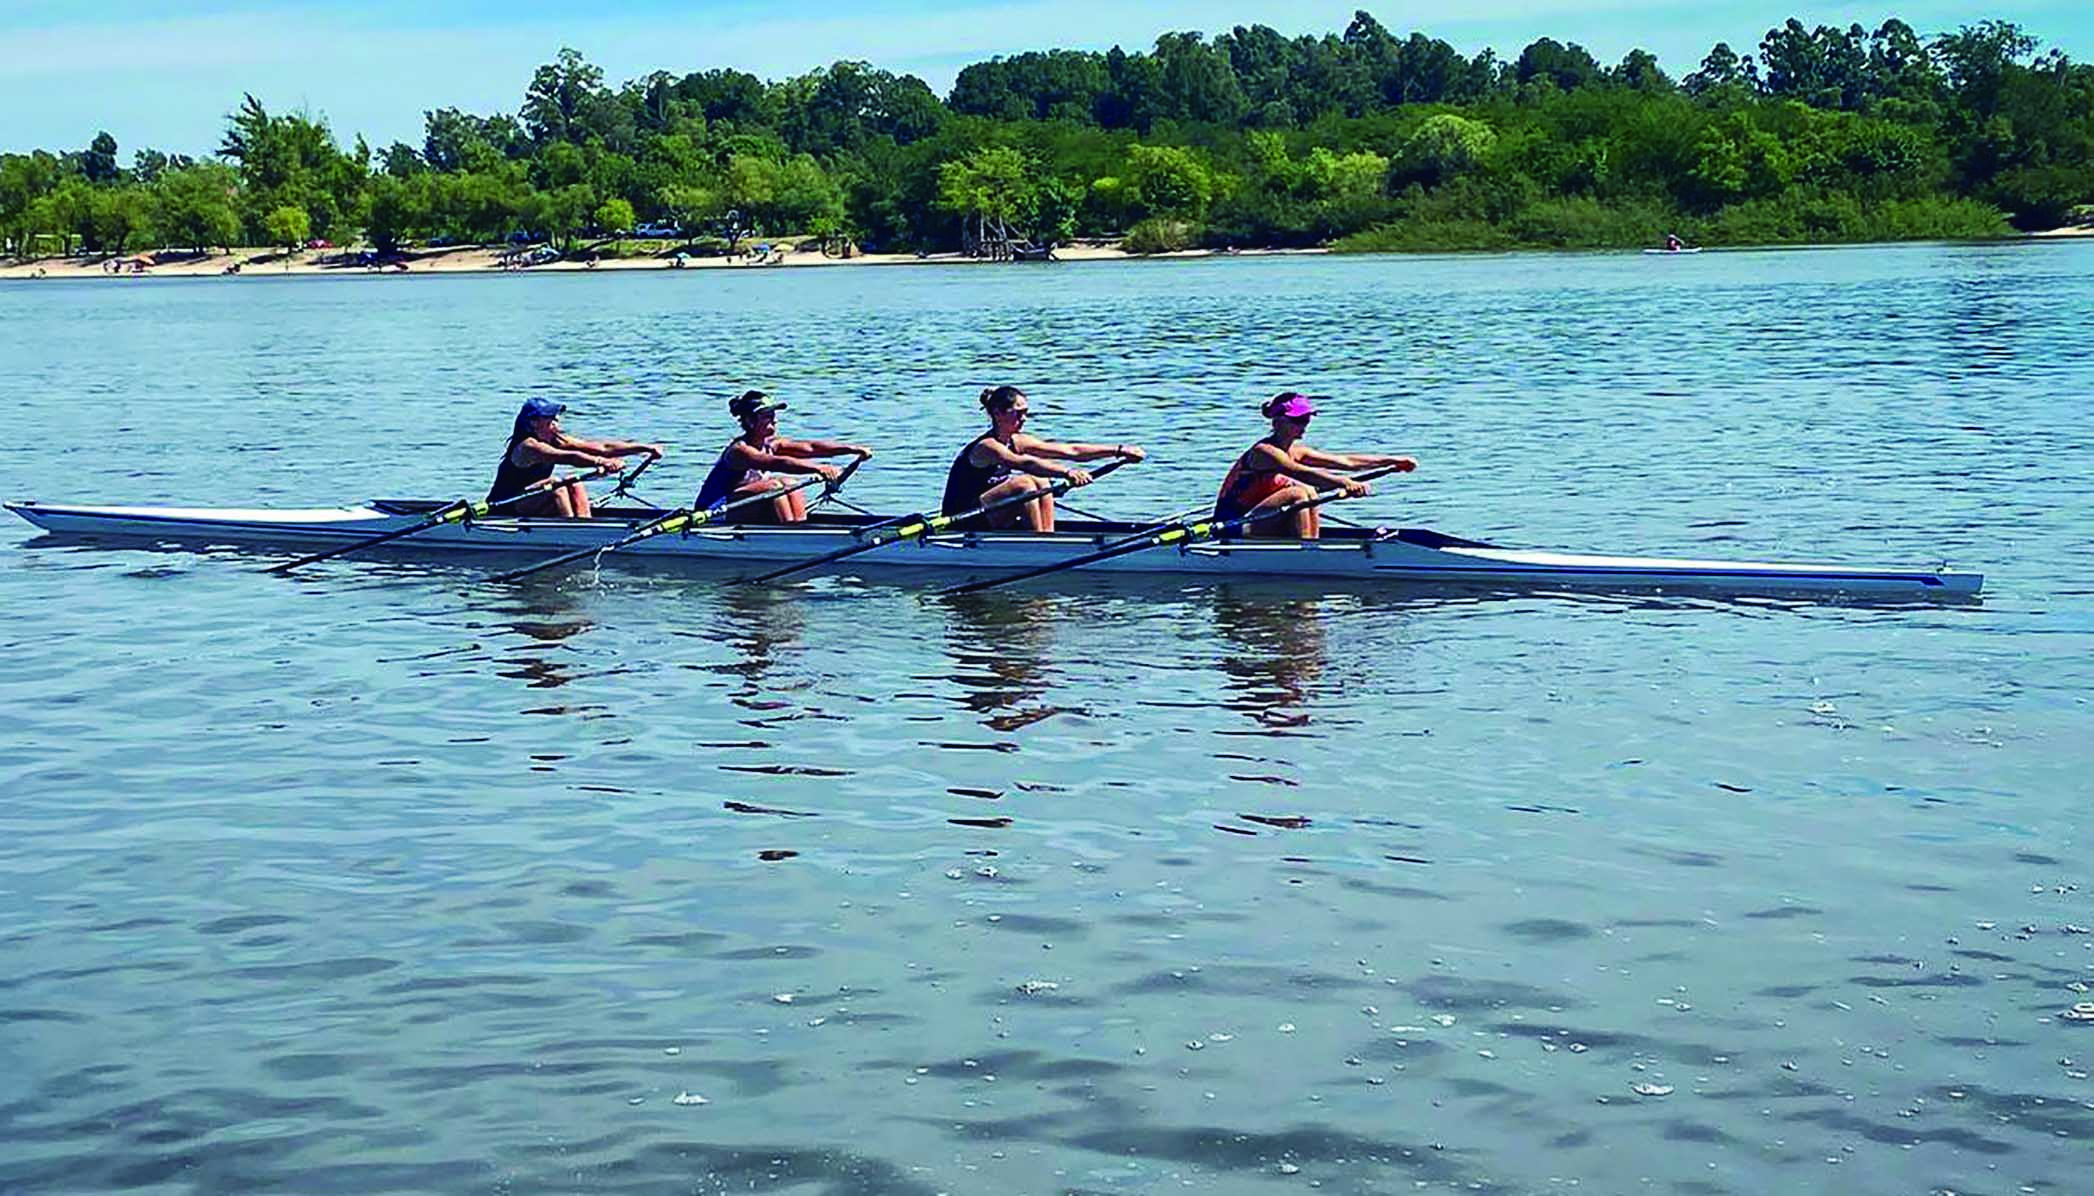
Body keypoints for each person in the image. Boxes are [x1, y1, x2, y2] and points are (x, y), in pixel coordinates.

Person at [941, 386, 1144, 532]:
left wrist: (1119, 450)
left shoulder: (1017, 441)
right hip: (962, 521)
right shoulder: (987, 447)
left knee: (1041, 481)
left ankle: (1047, 535)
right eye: (1018, 414)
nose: (1024, 419)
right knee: (1024, 483)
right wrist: (1067, 472)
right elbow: (1025, 463)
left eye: (1026, 413)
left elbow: (1070, 450)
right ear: (997, 413)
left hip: (988, 513)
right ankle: (1038, 544)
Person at [1213, 392, 1415, 540]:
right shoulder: (1264, 451)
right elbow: (1301, 473)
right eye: (1298, 420)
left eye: (1306, 419)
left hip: (1261, 520)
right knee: (1300, 492)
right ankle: (1307, 551)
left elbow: (1346, 462)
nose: (1304, 424)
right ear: (1277, 423)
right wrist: (1344, 483)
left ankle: (1311, 542)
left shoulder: (1297, 450)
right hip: (1232, 526)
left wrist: (1393, 461)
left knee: (1309, 492)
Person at [693, 390, 873, 523]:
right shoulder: (739, 451)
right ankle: (790, 535)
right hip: (713, 513)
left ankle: (798, 527)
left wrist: (852, 448)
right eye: (767, 416)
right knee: (775, 485)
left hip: (743, 508)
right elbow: (777, 463)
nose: (774, 420)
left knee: (790, 483)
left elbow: (810, 448)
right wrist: (819, 468)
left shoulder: (772, 444)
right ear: (749, 421)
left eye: (774, 415)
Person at [487, 397, 662, 518]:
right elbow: (569, 457)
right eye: (549, 417)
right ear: (532, 422)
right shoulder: (529, 447)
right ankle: (572, 530)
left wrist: (645, 448)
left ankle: (585, 523)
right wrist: (601, 463)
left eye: (555, 416)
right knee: (557, 485)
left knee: (573, 482)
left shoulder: (556, 440)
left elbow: (603, 447)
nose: (556, 420)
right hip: (506, 506)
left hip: (533, 502)